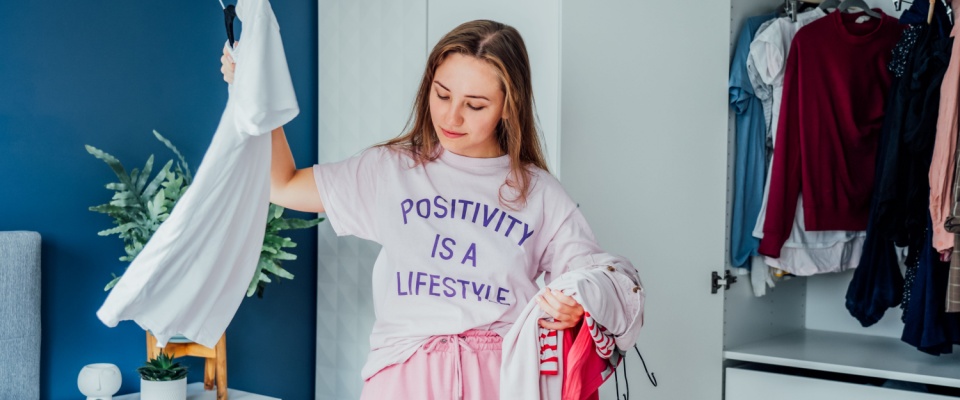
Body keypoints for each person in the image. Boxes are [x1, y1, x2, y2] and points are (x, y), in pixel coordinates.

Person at [221, 19, 641, 399]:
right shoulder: (391, 169)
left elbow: (598, 275)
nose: (451, 116)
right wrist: (252, 98)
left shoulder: (540, 193)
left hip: (498, 379)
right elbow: (283, 184)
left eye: (475, 105)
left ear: (508, 107)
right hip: (403, 377)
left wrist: (578, 304)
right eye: (442, 94)